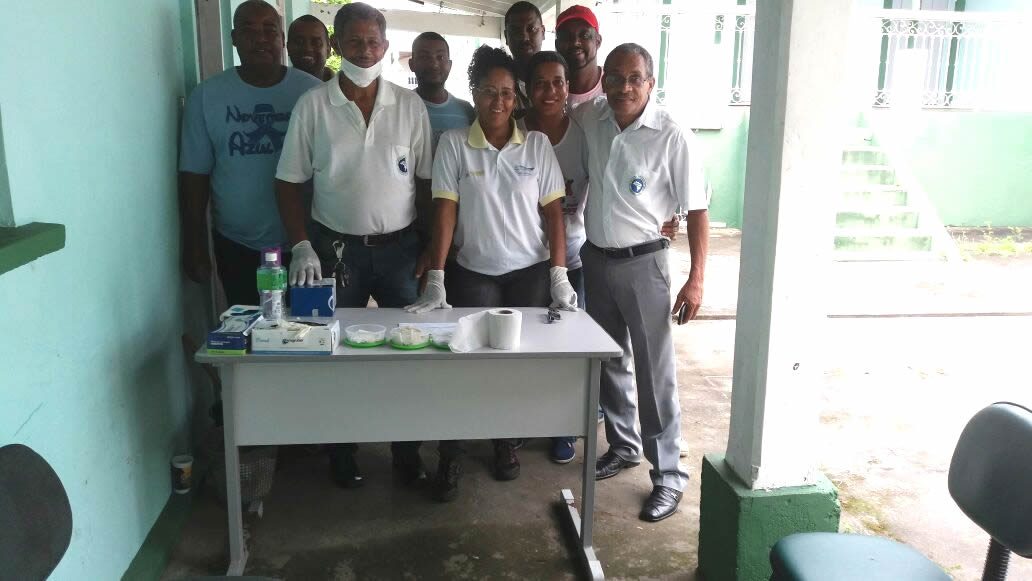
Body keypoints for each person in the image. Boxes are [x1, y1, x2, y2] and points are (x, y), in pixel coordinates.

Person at [404, 45, 578, 502]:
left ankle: (504, 443)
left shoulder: (536, 146)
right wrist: (437, 274)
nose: (497, 101)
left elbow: (555, 214)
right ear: (474, 94)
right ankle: (452, 453)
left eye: (506, 92)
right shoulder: (454, 145)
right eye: (488, 92)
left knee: (512, 367)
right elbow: (445, 211)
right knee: (463, 366)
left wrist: (558, 273)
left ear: (516, 97)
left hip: (529, 274)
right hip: (474, 274)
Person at [275, 2, 434, 491]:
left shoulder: (410, 107)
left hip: (400, 248)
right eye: (354, 41)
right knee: (332, 353)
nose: (365, 50)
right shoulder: (313, 106)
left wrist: (430, 252)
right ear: (337, 46)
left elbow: (427, 184)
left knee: (410, 353)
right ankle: (342, 452)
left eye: (373, 42)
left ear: (386, 48)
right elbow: (288, 182)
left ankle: (406, 452)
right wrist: (302, 245)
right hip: (331, 250)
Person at [575, 43, 710, 523]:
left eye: (634, 78)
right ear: (603, 80)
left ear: (651, 83)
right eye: (615, 76)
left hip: (644, 265)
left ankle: (669, 476)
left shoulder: (672, 135)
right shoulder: (593, 119)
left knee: (655, 374)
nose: (624, 87)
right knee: (611, 362)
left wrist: (696, 279)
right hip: (596, 259)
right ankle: (624, 446)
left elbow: (696, 210)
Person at [179, 0, 321, 307]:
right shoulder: (206, 96)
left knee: (312, 334)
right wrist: (195, 245)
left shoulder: (312, 92)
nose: (260, 38)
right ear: (234, 39)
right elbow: (194, 177)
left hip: (307, 242)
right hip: (237, 244)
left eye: (269, 30)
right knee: (250, 337)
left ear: (281, 39)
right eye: (248, 30)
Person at [408, 31, 475, 153]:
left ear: (449, 65)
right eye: (424, 57)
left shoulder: (467, 111)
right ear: (411, 64)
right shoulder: (401, 108)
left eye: (441, 57)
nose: (434, 64)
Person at [554, 5, 604, 107]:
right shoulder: (549, 92)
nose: (575, 42)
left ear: (598, 41)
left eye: (585, 35)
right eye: (566, 36)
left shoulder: (615, 84)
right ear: (557, 44)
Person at [503, 1, 545, 116]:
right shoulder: (498, 84)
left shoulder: (557, 80)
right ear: (506, 36)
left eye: (531, 29)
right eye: (516, 30)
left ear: (543, 32)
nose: (524, 37)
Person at [287, 14, 334, 81]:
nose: (307, 48)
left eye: (316, 43)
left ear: (328, 50)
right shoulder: (275, 89)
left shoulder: (344, 89)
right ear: (288, 48)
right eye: (299, 42)